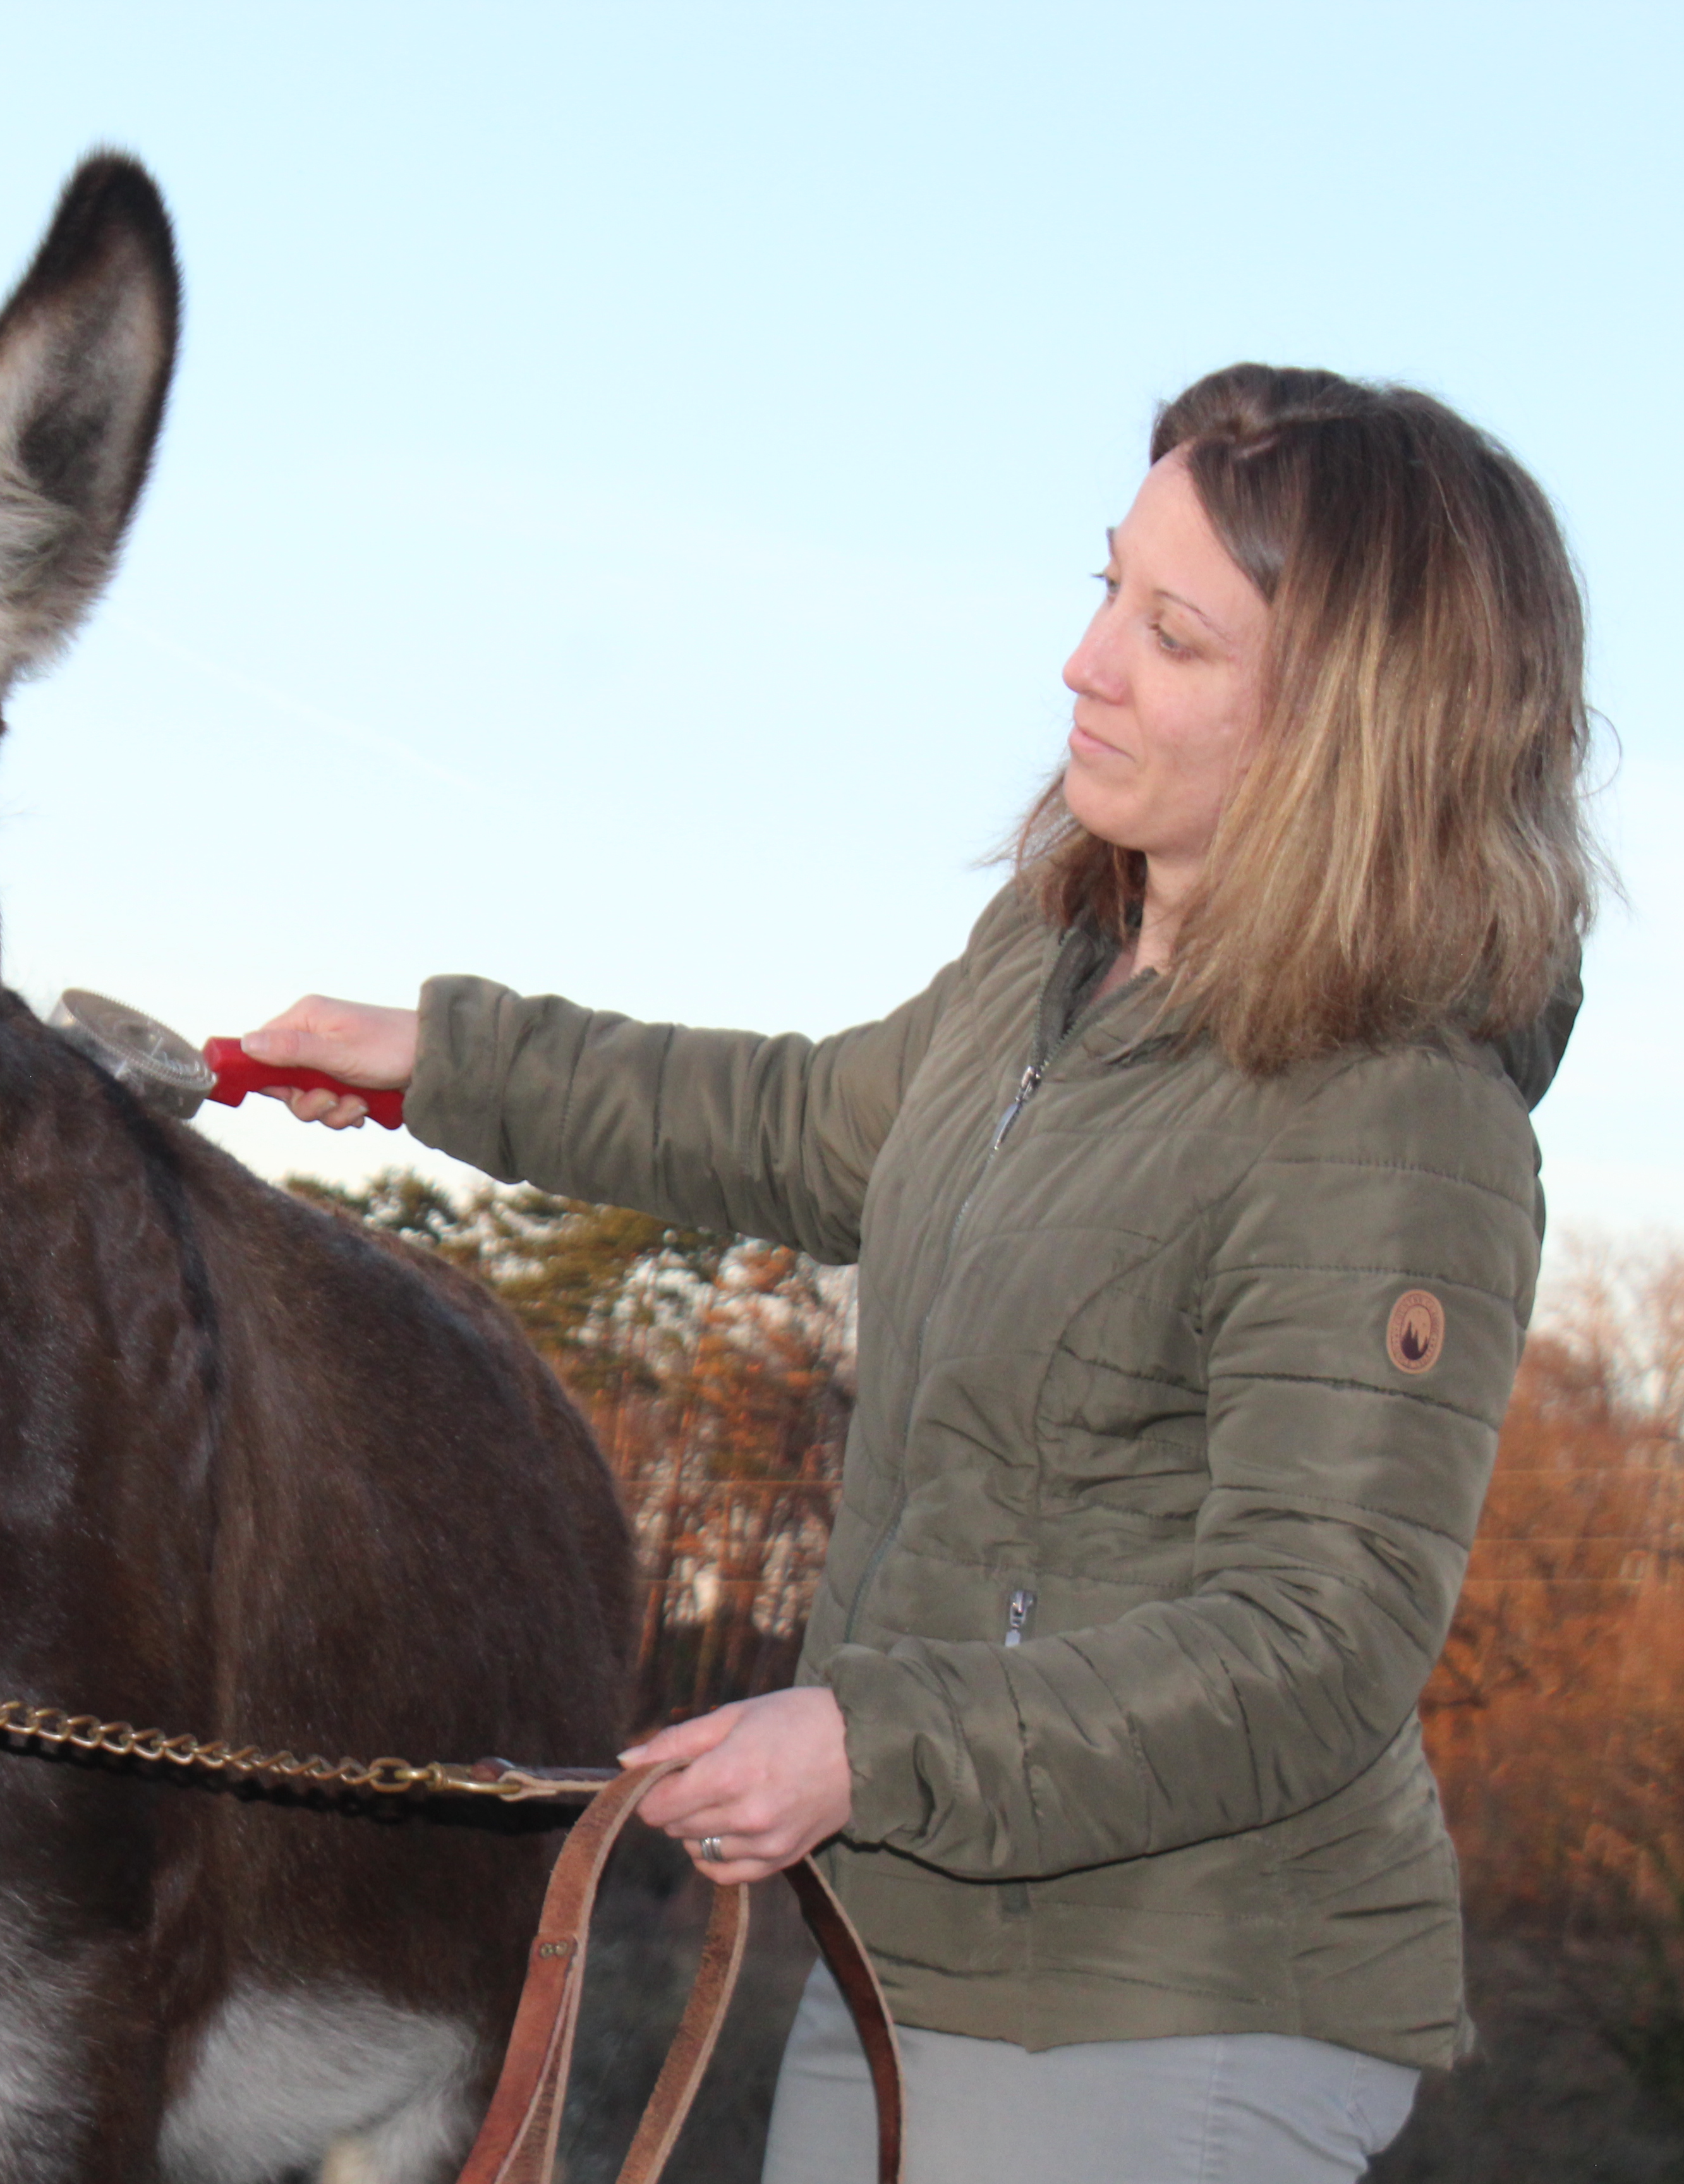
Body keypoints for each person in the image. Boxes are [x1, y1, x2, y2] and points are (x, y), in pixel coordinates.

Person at [239, 364, 1596, 2184]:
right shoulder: (1056, 969)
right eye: (1108, 585)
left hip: (1167, 2019)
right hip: (926, 1960)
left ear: (1350, 727)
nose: (1085, 663)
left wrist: (870, 1744)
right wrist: (441, 1062)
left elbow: (1311, 1648)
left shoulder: (1395, 1118)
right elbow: (805, 1122)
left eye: (1173, 633)